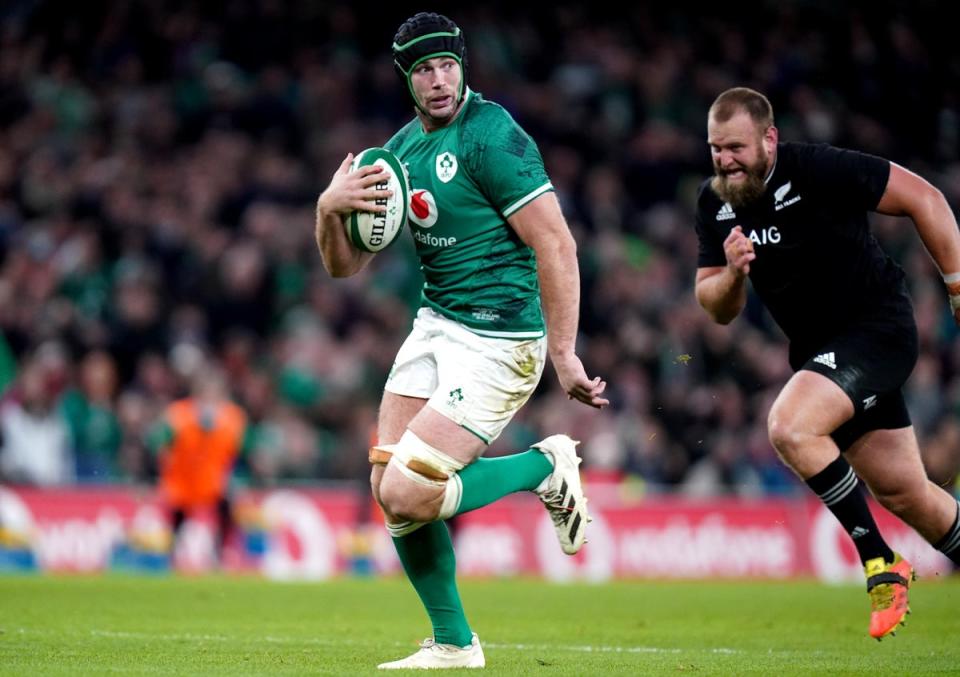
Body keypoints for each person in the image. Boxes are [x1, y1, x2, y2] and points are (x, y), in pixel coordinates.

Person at [315, 11, 607, 670]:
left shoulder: (493, 135)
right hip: (438, 323)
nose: (439, 79)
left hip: (502, 335)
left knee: (410, 490)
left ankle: (545, 466)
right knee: (385, 479)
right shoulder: (397, 156)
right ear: (406, 79)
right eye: (423, 69)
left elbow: (556, 240)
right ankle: (453, 643)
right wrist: (329, 207)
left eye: (447, 64)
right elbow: (342, 266)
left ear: (462, 65)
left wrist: (563, 352)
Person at [694, 87, 960, 640]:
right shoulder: (714, 203)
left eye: (736, 147)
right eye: (716, 148)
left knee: (790, 425)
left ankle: (880, 563)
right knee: (909, 495)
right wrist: (732, 274)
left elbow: (926, 198)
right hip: (825, 358)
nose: (725, 160)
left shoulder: (818, 169)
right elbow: (716, 309)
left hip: (879, 332)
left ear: (769, 138)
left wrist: (957, 288)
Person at [148, 366, 247, 566]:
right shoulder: (179, 414)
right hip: (183, 480)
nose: (210, 397)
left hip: (213, 482)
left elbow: (239, 452)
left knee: (226, 513)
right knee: (178, 520)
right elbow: (158, 441)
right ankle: (170, 558)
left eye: (215, 392)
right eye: (206, 392)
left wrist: (236, 478)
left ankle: (219, 555)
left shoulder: (233, 416)